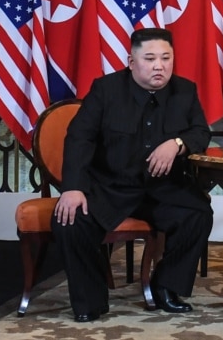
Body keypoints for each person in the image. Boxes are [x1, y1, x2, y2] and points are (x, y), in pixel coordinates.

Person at [51, 28, 213, 322]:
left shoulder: (185, 91)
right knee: (70, 220)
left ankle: (166, 287)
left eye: (166, 58)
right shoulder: (105, 89)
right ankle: (91, 300)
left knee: (199, 213)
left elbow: (200, 132)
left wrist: (177, 144)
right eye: (150, 58)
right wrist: (72, 188)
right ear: (131, 61)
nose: (159, 66)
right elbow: (79, 138)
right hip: (112, 187)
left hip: (163, 189)